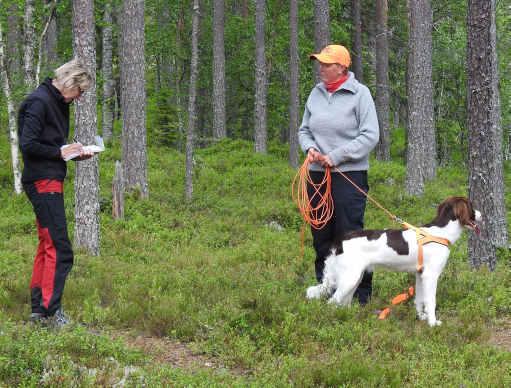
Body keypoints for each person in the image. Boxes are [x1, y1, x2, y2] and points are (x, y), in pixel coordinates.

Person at [298, 44, 379, 305]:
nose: (321, 68)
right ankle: (326, 285)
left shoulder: (360, 94)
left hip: (349, 175)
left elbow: (370, 136)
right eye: (319, 63)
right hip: (316, 175)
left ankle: (359, 294)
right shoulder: (315, 94)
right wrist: (310, 148)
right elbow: (304, 130)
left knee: (351, 236)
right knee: (321, 233)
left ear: (342, 67)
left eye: (326, 64)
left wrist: (335, 156)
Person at [18, 59, 94, 326]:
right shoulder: (40, 101)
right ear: (70, 83)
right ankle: (51, 312)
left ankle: (39, 311)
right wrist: (59, 152)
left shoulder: (57, 101)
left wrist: (73, 153)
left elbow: (49, 143)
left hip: (50, 178)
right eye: (80, 91)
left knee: (47, 244)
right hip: (42, 181)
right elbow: (28, 145)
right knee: (60, 248)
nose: (80, 97)